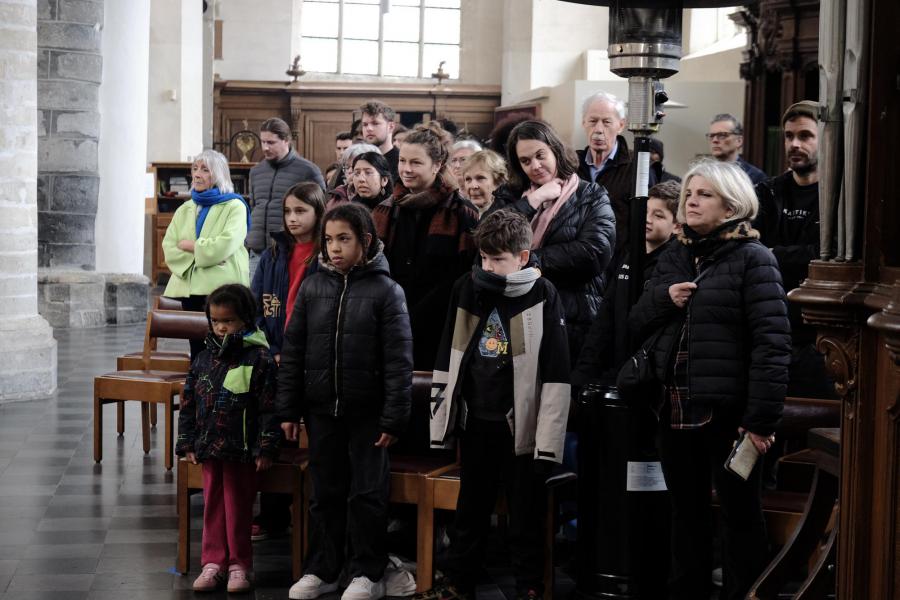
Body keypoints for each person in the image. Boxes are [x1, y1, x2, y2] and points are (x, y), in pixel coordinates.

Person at [629, 159, 791, 600]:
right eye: (689, 194)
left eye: (704, 194)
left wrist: (760, 421)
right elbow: (636, 319)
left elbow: (772, 346)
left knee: (740, 518)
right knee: (686, 515)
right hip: (674, 406)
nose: (692, 201)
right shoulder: (677, 253)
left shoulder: (755, 259)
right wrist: (665, 299)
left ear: (732, 205)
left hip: (729, 415)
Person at [430, 210, 570, 600]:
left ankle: (528, 586)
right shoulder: (467, 287)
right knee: (470, 511)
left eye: (498, 260)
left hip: (521, 425)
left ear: (523, 257)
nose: (488, 267)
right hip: (476, 420)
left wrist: (548, 440)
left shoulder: (543, 294)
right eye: (484, 258)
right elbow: (449, 353)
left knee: (525, 515)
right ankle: (460, 583)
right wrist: (442, 421)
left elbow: (556, 370)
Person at [277, 203, 413, 600]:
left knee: (367, 495)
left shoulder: (387, 291)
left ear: (365, 242)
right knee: (325, 494)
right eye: (330, 239)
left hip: (368, 414)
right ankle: (323, 569)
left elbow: (399, 361)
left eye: (344, 239)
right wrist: (288, 409)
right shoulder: (313, 286)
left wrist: (393, 418)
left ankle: (367, 572)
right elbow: (295, 349)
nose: (334, 248)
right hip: (322, 411)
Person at [175, 283, 280, 593]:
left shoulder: (258, 358)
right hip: (210, 447)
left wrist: (266, 446)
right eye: (216, 321)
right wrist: (187, 441)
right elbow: (189, 402)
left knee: (237, 507)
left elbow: (269, 407)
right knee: (213, 506)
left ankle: (239, 565)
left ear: (245, 319)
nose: (221, 327)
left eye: (229, 321)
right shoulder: (204, 358)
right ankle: (213, 563)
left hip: (242, 450)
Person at [497, 119, 616, 364]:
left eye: (541, 155)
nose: (536, 166)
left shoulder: (591, 195)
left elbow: (594, 252)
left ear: (555, 150)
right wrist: (532, 201)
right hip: (516, 312)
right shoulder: (513, 194)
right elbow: (488, 236)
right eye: (525, 161)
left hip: (572, 318)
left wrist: (528, 261)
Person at [249, 182, 324, 541]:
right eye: (288, 212)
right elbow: (256, 307)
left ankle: (313, 514)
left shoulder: (326, 253)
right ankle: (273, 513)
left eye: (301, 211)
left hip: (312, 357)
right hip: (276, 354)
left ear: (317, 212)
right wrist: (271, 348)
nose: (293, 219)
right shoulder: (274, 253)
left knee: (311, 437)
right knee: (274, 431)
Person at [372, 122, 479, 369]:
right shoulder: (387, 208)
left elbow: (464, 274)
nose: (406, 169)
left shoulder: (461, 211)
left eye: (416, 163)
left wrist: (421, 312)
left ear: (437, 165)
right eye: (402, 161)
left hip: (440, 324)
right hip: (391, 317)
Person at [754, 100, 833, 398]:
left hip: (818, 328)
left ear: (825, 137)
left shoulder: (839, 197)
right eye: (789, 136)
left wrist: (773, 254)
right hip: (771, 319)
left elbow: (826, 255)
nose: (794, 144)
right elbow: (751, 250)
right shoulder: (768, 191)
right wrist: (793, 256)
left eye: (805, 136)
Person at [573, 180, 682, 386]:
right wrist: (583, 371)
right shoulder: (630, 255)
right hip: (614, 364)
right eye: (646, 211)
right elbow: (606, 314)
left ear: (676, 225)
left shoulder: (674, 263)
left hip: (645, 374)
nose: (647, 220)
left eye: (658, 216)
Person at [163, 149, 251, 359]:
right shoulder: (185, 208)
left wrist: (193, 247)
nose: (197, 174)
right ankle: (198, 388)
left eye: (205, 169)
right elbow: (170, 245)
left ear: (218, 174)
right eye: (194, 169)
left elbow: (227, 243)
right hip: (190, 287)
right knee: (198, 348)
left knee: (225, 347)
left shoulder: (234, 205)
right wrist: (206, 254)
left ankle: (224, 389)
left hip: (223, 287)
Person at [247, 118, 326, 281]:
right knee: (256, 302)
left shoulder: (308, 170)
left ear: (286, 140)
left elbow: (321, 210)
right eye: (262, 142)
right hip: (256, 252)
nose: (265, 147)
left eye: (271, 142)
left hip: (290, 251)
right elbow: (254, 206)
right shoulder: (256, 172)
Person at [576, 92, 652, 254]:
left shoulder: (637, 166)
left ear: (621, 125)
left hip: (619, 260)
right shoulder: (571, 165)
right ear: (583, 123)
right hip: (578, 258)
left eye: (606, 122)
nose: (598, 129)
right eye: (592, 121)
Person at [707, 113, 767, 185]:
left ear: (739, 141)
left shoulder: (754, 176)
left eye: (722, 135)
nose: (715, 140)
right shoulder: (704, 173)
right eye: (711, 136)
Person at [326, 143, 381, 210]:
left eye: (354, 166)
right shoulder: (338, 194)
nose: (349, 171)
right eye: (347, 166)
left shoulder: (384, 201)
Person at [461, 149, 508, 218]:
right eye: (468, 179)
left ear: (498, 181)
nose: (473, 186)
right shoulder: (461, 214)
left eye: (480, 178)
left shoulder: (507, 216)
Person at [360, 100, 399, 180]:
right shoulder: (358, 159)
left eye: (375, 123)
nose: (369, 128)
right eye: (365, 124)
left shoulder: (400, 162)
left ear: (391, 127)